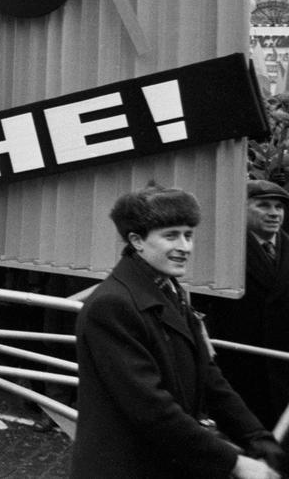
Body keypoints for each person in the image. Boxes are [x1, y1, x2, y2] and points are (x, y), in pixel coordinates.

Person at [71, 183, 285, 479]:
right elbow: (150, 408)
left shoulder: (169, 291)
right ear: (137, 241)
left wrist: (257, 438)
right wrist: (236, 462)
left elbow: (209, 378)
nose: (184, 247)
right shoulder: (111, 306)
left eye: (188, 235)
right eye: (170, 236)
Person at [208, 180, 289, 431]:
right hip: (241, 365)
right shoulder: (223, 250)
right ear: (240, 209)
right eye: (263, 205)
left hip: (283, 363)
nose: (274, 213)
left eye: (278, 206)